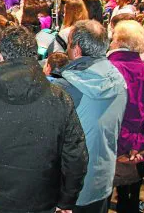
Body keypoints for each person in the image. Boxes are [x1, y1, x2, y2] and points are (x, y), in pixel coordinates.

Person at [0, 25, 88, 212]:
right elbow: (75, 157)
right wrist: (67, 200)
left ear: (1, 56)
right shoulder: (60, 99)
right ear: (34, 56)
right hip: (42, 200)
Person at [52, 20, 128, 213]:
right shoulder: (119, 81)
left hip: (72, 187)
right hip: (103, 178)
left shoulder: (68, 88)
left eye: (69, 44)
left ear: (76, 50)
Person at [108, 20, 144, 213]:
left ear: (117, 40)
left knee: (99, 200)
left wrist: (121, 140)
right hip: (136, 154)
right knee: (130, 200)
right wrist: (136, 143)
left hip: (106, 148)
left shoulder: (106, 70)